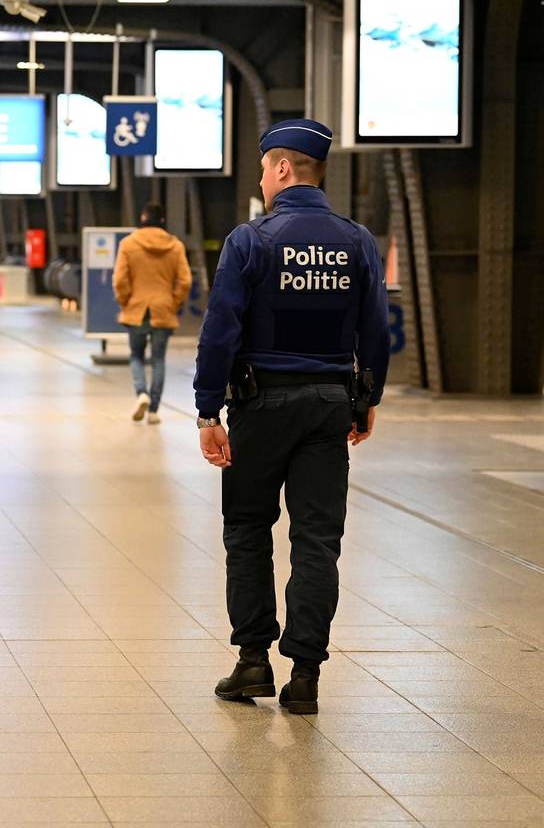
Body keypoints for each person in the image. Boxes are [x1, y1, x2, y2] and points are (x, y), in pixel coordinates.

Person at [195, 119, 389, 716]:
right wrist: (366, 399)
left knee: (248, 529)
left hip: (260, 405)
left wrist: (207, 410)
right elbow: (374, 330)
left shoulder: (250, 241)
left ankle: (253, 661)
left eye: (263, 168)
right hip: (329, 405)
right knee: (317, 539)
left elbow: (220, 330)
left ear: (282, 169)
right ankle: (305, 675)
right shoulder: (357, 241)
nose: (261, 179)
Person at [113, 202, 192, 425]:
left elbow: (119, 280)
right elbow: (185, 280)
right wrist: (173, 302)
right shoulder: (175, 245)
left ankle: (141, 393)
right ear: (163, 220)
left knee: (136, 356)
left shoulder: (129, 243)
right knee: (158, 359)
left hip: (136, 308)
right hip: (164, 309)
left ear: (143, 217)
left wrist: (126, 301)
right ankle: (154, 411)